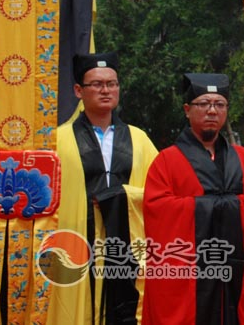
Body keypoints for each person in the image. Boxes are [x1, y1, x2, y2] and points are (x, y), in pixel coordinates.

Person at [142, 73, 244, 325]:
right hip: (186, 275)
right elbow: (158, 210)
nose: (212, 110)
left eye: (219, 104)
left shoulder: (241, 158)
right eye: (204, 104)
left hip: (231, 268)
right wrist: (221, 206)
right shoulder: (167, 160)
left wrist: (216, 206)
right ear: (187, 110)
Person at [48, 52, 158, 325]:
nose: (106, 90)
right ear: (78, 91)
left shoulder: (139, 139)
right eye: (96, 84)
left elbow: (160, 193)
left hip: (126, 247)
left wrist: (122, 197)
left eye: (112, 83)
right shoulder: (57, 140)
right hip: (76, 243)